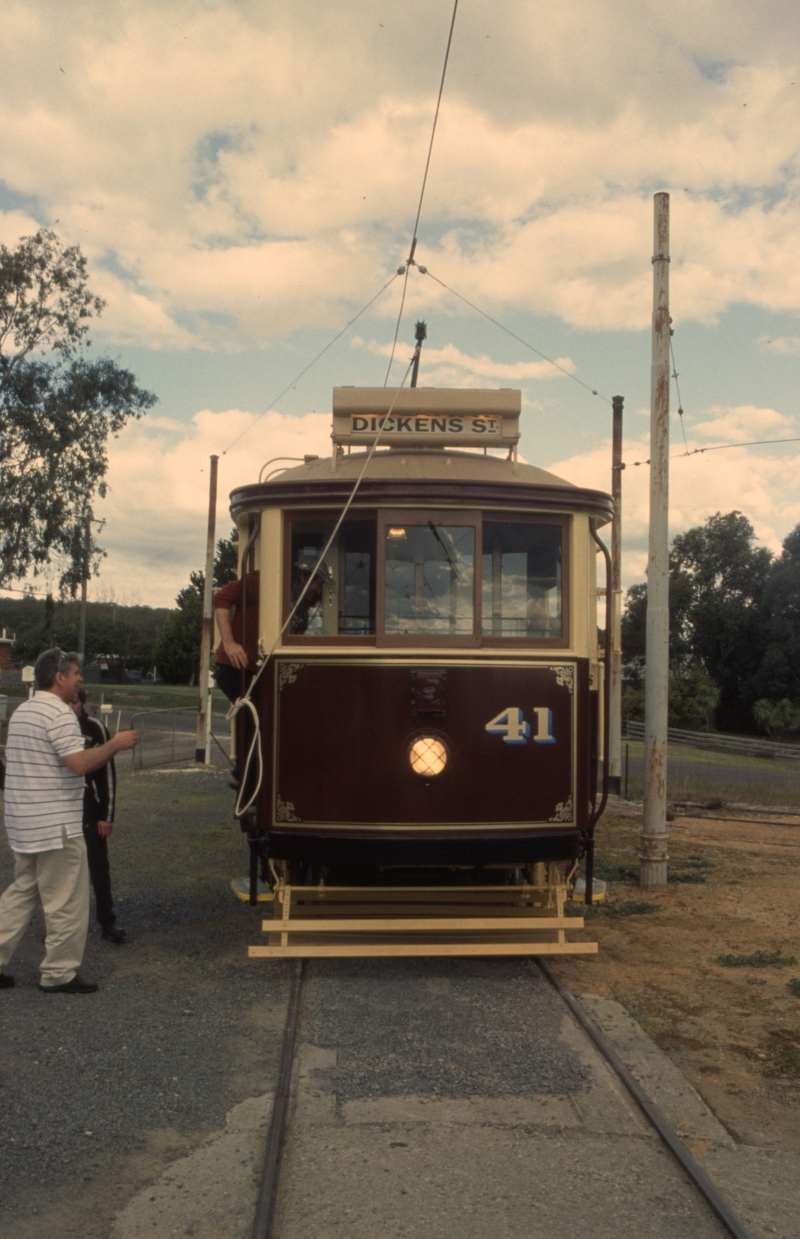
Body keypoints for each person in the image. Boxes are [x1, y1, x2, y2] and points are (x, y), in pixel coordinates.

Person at [0, 649, 138, 994]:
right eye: (76, 673)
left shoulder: (22, 711)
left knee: (23, 892)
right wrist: (114, 745)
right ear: (59, 677)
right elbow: (78, 763)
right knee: (66, 901)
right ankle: (59, 973)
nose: (80, 679)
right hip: (55, 825)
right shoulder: (59, 714)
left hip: (23, 822)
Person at [71, 686, 125, 944]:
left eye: (75, 703)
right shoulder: (53, 727)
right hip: (62, 814)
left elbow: (107, 776)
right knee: (64, 873)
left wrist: (107, 815)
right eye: (66, 703)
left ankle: (107, 920)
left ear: (82, 702)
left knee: (99, 868)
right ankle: (63, 928)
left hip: (91, 814)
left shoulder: (95, 728)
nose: (70, 709)